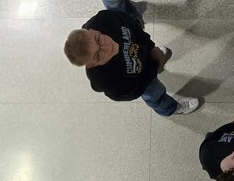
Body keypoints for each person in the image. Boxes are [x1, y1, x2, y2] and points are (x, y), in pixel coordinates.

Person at [63, 9, 200, 116]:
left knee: (155, 57)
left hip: (144, 53)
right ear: (91, 65)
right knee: (155, 95)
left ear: (93, 31)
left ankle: (156, 58)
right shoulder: (106, 81)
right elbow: (134, 91)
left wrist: (151, 48)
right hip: (143, 80)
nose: (107, 47)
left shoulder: (104, 19)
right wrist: (153, 67)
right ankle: (170, 109)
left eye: (99, 40)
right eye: (98, 55)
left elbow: (131, 24)